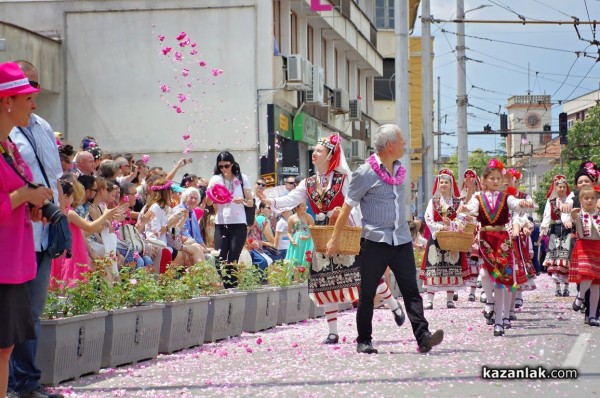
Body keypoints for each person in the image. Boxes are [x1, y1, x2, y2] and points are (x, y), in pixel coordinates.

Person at [259, 132, 405, 346]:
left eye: (319, 150)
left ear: (330, 155)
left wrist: (346, 217)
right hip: (321, 234)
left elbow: (353, 204)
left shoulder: (344, 179)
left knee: (363, 276)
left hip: (344, 232)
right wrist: (269, 200)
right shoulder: (308, 183)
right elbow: (290, 200)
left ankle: (392, 303)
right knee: (324, 281)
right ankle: (333, 332)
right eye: (315, 150)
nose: (314, 154)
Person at [326, 124, 442, 354]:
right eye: (401, 140)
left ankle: (423, 337)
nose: (405, 144)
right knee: (368, 293)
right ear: (390, 145)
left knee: (411, 291)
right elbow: (347, 208)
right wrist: (334, 239)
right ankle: (364, 340)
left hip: (400, 240)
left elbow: (398, 208)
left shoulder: (400, 170)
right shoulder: (364, 173)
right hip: (375, 240)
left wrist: (413, 232)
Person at [6, 60, 67, 398]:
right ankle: (13, 384)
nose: (33, 96)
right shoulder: (6, 132)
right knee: (12, 313)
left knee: (32, 311)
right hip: (17, 232)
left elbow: (55, 178)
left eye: (35, 87)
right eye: (26, 87)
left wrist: (59, 216)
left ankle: (28, 380)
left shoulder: (42, 125)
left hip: (44, 231)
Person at [459, 159, 531, 336]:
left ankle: (499, 321)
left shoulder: (507, 197)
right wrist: (463, 208)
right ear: (484, 180)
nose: (496, 181)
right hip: (485, 239)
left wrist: (524, 204)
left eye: (498, 178)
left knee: (501, 280)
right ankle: (490, 302)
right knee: (484, 274)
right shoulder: (478, 198)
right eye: (492, 178)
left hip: (503, 240)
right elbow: (470, 209)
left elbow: (515, 205)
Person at [50, 177, 121, 286]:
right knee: (72, 280)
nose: (73, 199)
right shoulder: (70, 213)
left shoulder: (56, 211)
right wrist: (105, 215)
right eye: (71, 196)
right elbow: (89, 227)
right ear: (65, 197)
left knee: (62, 281)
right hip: (73, 252)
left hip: (63, 251)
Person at [420, 169, 468, 310]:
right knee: (433, 267)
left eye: (446, 182)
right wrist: (439, 227)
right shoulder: (433, 201)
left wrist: (451, 225)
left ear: (451, 184)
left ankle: (449, 300)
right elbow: (428, 218)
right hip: (437, 237)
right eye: (441, 182)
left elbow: (463, 219)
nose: (443, 184)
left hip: (451, 237)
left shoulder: (458, 202)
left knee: (451, 265)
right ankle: (429, 300)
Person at [206, 151, 254, 287]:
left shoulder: (242, 178)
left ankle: (231, 288)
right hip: (221, 223)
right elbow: (208, 203)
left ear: (232, 164)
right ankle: (228, 285)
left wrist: (243, 200)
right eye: (220, 166)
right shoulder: (216, 179)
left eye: (226, 166)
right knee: (220, 257)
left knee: (233, 258)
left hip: (238, 224)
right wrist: (212, 193)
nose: (224, 169)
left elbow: (251, 202)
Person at [569, 187, 600, 327]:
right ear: (581, 200)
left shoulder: (598, 214)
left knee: (596, 284)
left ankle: (592, 316)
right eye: (586, 198)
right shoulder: (578, 213)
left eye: (592, 198)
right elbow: (573, 218)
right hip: (584, 247)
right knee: (587, 275)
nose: (589, 201)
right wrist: (573, 213)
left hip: (597, 248)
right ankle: (580, 296)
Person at [540, 175, 573, 297]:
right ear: (555, 188)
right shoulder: (551, 201)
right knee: (554, 256)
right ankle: (557, 287)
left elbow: (572, 213)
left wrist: (568, 221)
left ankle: (567, 287)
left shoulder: (571, 199)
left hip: (567, 230)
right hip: (555, 229)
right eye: (560, 187)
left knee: (566, 257)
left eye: (564, 187)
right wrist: (543, 228)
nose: (562, 189)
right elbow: (546, 215)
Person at [285, 202, 315, 267]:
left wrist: (307, 237)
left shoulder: (308, 217)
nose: (305, 207)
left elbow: (314, 231)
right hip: (296, 242)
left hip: (307, 242)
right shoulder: (291, 218)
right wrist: (291, 240)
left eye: (305, 205)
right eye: (303, 206)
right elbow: (289, 232)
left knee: (306, 259)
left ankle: (305, 276)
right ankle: (295, 276)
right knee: (295, 260)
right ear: (296, 207)